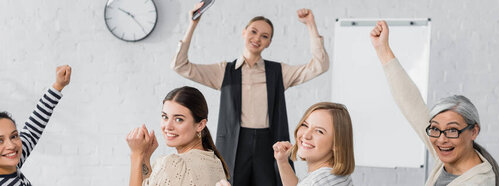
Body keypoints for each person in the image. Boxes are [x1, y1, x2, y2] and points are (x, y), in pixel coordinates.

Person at [171, 2, 329, 185]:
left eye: (264, 36)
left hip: (268, 144)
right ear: (244, 32)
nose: (257, 38)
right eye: (253, 31)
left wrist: (310, 25)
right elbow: (179, 65)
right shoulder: (224, 71)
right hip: (234, 144)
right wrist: (193, 24)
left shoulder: (278, 72)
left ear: (269, 42)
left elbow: (320, 66)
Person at [370, 21, 499, 186]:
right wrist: (382, 49)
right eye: (435, 128)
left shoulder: (478, 183)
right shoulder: (450, 156)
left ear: (474, 131)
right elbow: (411, 104)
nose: (441, 139)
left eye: (452, 130)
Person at [0, 65, 72, 186]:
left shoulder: (9, 165)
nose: (11, 145)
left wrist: (58, 85)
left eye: (14, 136)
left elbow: (33, 129)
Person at [127, 86, 229, 186]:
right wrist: (145, 158)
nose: (168, 126)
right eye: (165, 117)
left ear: (200, 125)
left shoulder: (174, 163)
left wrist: (136, 154)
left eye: (179, 119)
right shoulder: (215, 162)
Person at [273, 102, 354, 186]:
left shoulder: (317, 182)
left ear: (337, 143)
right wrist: (283, 161)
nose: (306, 135)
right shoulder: (335, 175)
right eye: (305, 125)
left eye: (319, 131)